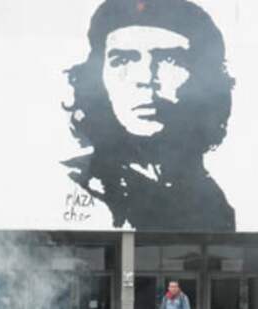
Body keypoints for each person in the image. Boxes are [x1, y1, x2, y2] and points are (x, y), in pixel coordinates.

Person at [63, 0, 236, 232]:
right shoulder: (72, 183)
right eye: (122, 60)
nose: (145, 78)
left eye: (169, 59)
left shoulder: (213, 202)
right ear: (98, 78)